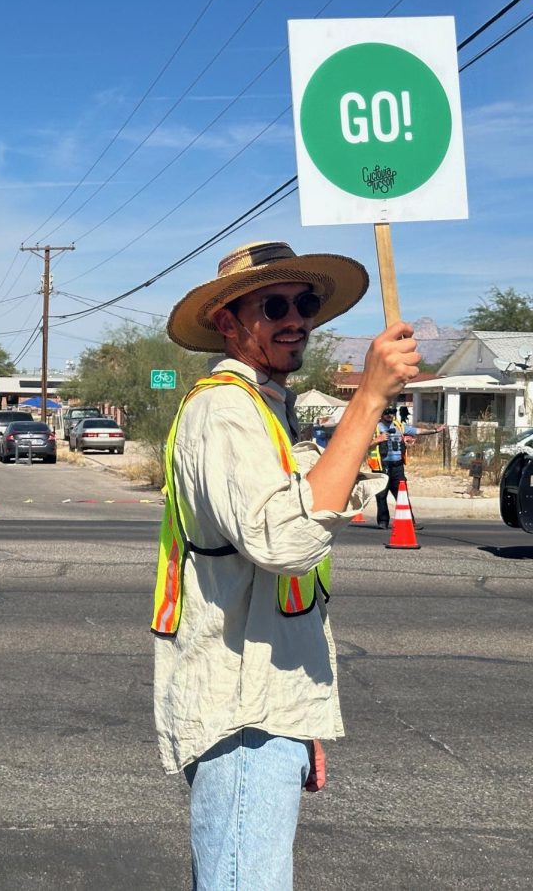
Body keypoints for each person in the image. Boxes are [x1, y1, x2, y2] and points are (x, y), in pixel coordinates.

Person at [153, 241, 418, 888]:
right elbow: (289, 542)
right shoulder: (225, 410)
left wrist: (296, 721)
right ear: (227, 322)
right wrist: (369, 400)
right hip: (242, 715)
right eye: (274, 305)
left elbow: (282, 561)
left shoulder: (264, 408)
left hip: (264, 709)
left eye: (305, 303)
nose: (295, 318)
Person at [372, 405, 419, 529]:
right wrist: (378, 439)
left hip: (397, 466)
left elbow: (417, 431)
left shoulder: (399, 426)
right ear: (381, 414)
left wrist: (436, 430)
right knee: (381, 495)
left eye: (392, 412)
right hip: (381, 466)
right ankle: (383, 522)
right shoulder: (373, 428)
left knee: (402, 494)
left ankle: (410, 522)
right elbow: (361, 444)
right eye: (387, 412)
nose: (390, 415)